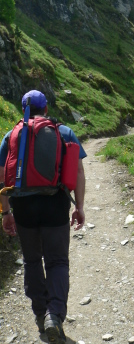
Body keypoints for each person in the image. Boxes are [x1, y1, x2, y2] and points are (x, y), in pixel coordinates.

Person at [0, 90, 86, 344]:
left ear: (23, 109)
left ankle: (40, 314)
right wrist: (79, 206)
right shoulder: (64, 132)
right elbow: (78, 172)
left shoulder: (11, 135)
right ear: (45, 109)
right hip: (56, 204)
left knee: (32, 261)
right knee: (57, 262)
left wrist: (6, 212)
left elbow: (2, 177)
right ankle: (54, 316)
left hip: (24, 208)